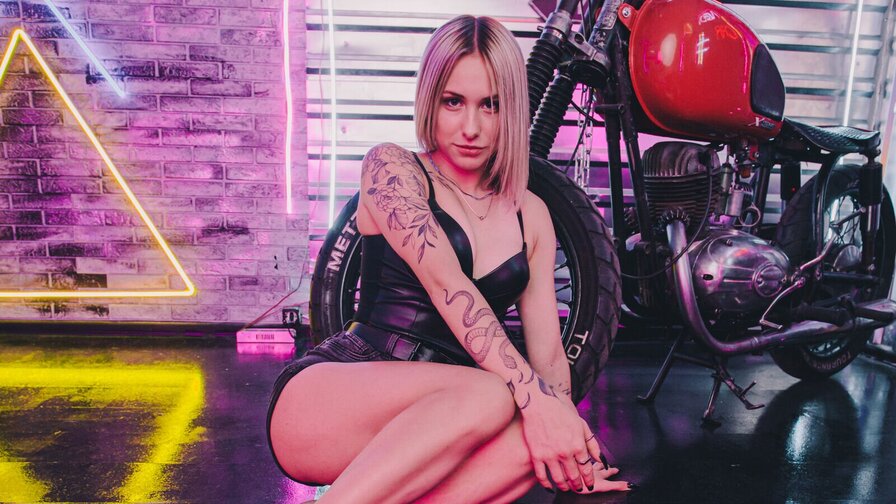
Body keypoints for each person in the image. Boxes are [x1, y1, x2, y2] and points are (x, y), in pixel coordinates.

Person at [267, 15, 630, 502]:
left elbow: (548, 359)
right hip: (333, 398)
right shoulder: (393, 168)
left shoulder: (532, 215)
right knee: (497, 396)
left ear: (512, 110)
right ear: (430, 99)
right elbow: (447, 286)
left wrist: (569, 439)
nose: (471, 128)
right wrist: (536, 404)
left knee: (536, 448)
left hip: (453, 420)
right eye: (453, 102)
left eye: (490, 105)